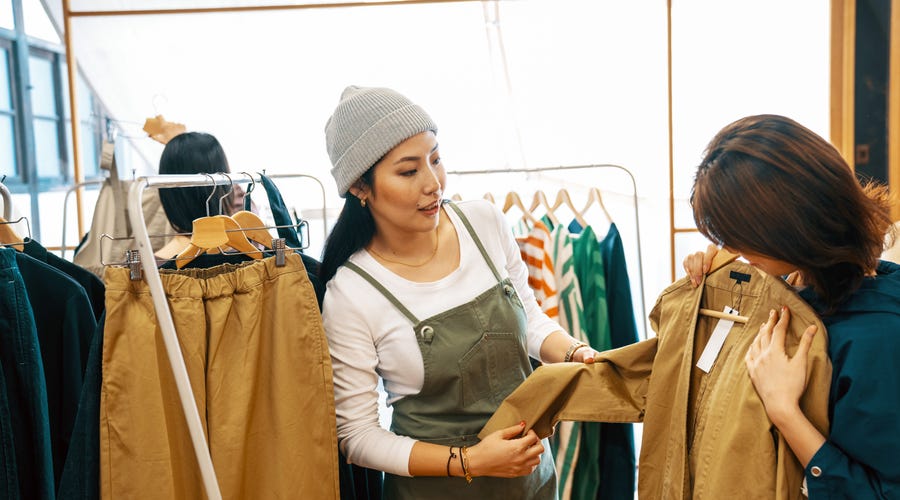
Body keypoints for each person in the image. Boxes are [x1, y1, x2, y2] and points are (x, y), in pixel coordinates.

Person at [319, 85, 599, 499]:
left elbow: (530, 319)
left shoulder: (484, 223)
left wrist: (578, 354)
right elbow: (357, 436)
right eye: (409, 171)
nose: (434, 183)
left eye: (436, 158)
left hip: (530, 481)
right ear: (360, 187)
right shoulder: (352, 293)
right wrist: (473, 461)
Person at [683, 114, 900, 498]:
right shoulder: (796, 285)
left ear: (791, 229)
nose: (735, 252)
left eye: (742, 238)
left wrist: (784, 410)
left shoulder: (879, 337)